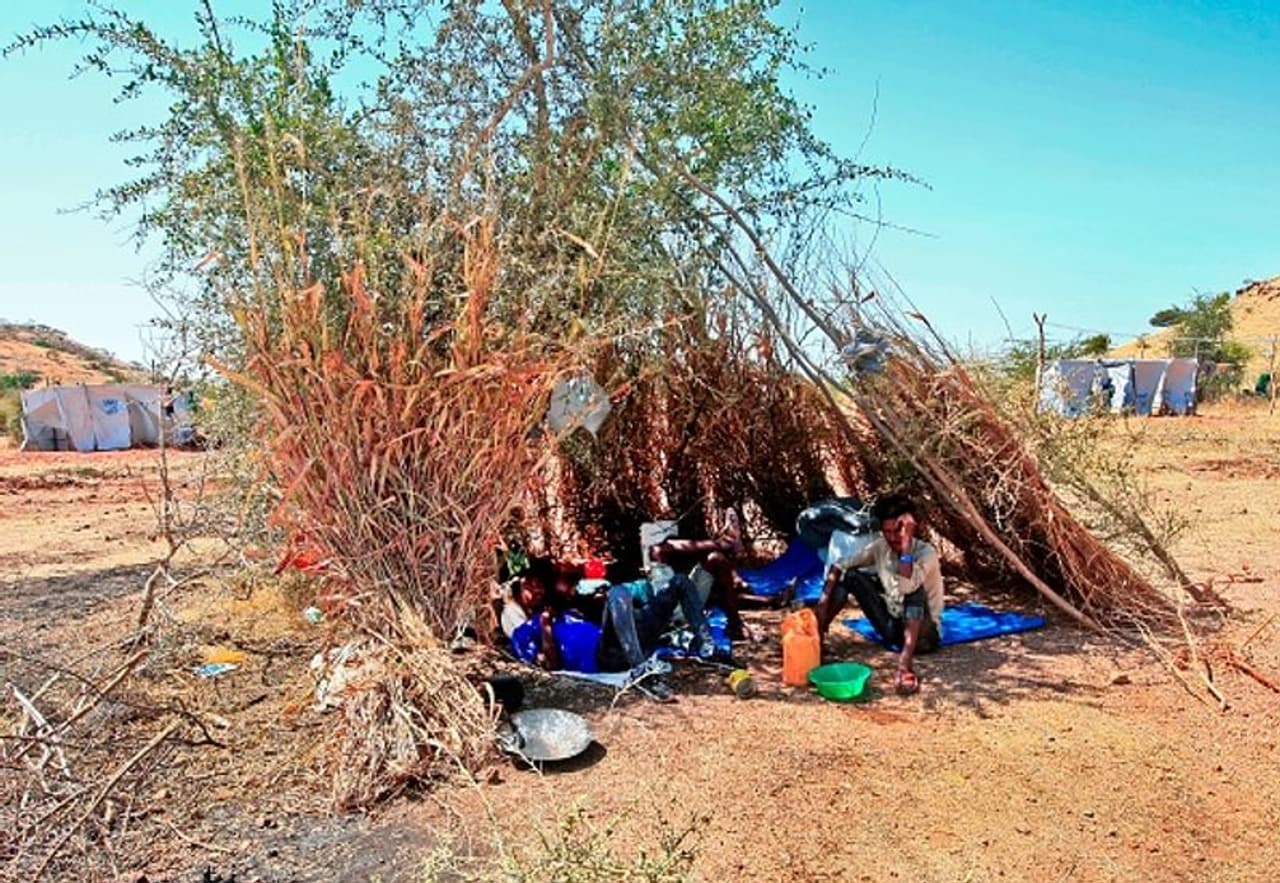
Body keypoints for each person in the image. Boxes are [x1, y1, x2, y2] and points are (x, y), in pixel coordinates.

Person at [813, 493, 944, 695]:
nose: (892, 538)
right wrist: (823, 603)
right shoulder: (881, 547)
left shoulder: (927, 554)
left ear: (909, 529)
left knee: (913, 589)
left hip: (923, 638)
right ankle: (816, 641)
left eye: (898, 531)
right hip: (893, 628)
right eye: (887, 532)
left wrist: (906, 544)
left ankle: (905, 665)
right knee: (852, 575)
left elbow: (908, 587)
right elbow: (840, 565)